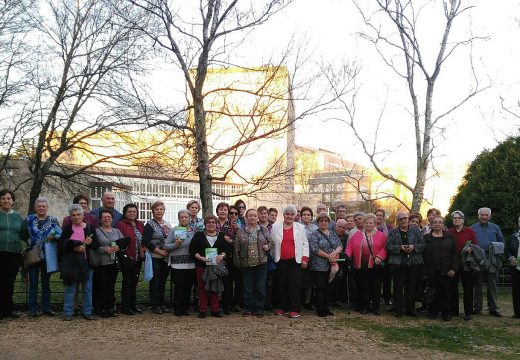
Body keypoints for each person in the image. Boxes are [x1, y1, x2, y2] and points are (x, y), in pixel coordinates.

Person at [59, 204, 99, 321]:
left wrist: (90, 243)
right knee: (70, 288)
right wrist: (73, 248)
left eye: (78, 214)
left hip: (87, 263)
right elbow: (61, 246)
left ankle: (87, 312)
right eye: (73, 215)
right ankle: (68, 312)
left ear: (83, 215)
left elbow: (96, 246)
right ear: (70, 217)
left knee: (87, 289)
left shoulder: (90, 228)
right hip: (72, 263)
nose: (76, 217)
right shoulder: (67, 229)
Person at [26, 197, 62, 317]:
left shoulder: (53, 220)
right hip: (33, 255)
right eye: (39, 206)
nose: (41, 208)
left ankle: (46, 308)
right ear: (36, 207)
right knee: (33, 283)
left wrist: (54, 237)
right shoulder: (29, 219)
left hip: (48, 255)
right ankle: (32, 309)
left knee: (46, 284)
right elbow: (23, 234)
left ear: (47, 207)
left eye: (44, 206)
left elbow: (60, 234)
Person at [271, 205, 309, 318]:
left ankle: (295, 308)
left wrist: (305, 259)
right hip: (280, 260)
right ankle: (283, 307)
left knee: (294, 285)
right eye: (287, 214)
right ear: (284, 215)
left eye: (292, 214)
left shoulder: (300, 228)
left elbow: (305, 244)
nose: (289, 216)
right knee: (282, 284)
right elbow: (272, 243)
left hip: (295, 261)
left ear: (295, 216)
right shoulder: (275, 226)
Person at [234, 209, 273, 317]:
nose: (252, 217)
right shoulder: (241, 231)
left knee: (260, 286)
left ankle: (259, 308)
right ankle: (248, 307)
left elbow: (271, 242)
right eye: (250, 215)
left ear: (258, 218)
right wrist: (238, 263)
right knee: (248, 286)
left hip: (261, 263)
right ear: (246, 217)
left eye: (255, 216)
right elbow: (236, 248)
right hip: (245, 263)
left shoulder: (263, 230)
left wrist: (268, 247)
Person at [346, 213, 387, 315]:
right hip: (360, 265)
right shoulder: (357, 234)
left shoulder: (381, 235)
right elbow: (349, 247)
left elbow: (385, 248)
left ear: (375, 224)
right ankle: (364, 307)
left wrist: (380, 256)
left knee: (375, 287)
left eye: (370, 223)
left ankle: (376, 308)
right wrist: (347, 255)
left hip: (375, 266)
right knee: (363, 286)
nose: (368, 224)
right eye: (366, 223)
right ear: (363, 224)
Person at [386, 211, 425, 317]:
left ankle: (410, 309)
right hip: (398, 263)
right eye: (401, 219)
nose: (403, 220)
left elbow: (423, 244)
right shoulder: (393, 232)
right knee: (398, 287)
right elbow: (388, 246)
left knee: (411, 287)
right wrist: (400, 248)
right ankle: (399, 310)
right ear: (398, 221)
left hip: (413, 262)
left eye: (405, 218)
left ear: (408, 219)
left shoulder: (416, 231)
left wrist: (413, 247)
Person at [189, 215, 227, 318]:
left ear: (217, 224)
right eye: (208, 222)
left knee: (215, 287)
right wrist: (200, 257)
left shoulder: (221, 235)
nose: (211, 224)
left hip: (216, 266)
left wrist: (222, 255)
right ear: (205, 224)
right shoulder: (198, 235)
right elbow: (192, 249)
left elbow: (227, 249)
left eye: (213, 222)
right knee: (202, 288)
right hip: (202, 265)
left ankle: (215, 309)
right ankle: (202, 310)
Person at [470, 207, 504, 317]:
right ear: (478, 216)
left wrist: (498, 254)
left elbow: (501, 241)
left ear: (490, 216)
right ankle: (477, 307)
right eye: (482, 215)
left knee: (492, 285)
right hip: (478, 259)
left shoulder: (495, 228)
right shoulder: (472, 228)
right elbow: (469, 243)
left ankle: (493, 308)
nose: (484, 217)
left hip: (492, 259)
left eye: (486, 215)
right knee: (477, 284)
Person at [423, 216, 458, 321]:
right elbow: (423, 255)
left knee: (445, 292)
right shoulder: (426, 238)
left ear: (443, 224)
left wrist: (453, 268)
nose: (437, 224)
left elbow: (455, 254)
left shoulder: (450, 237)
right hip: (431, 270)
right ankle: (433, 312)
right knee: (433, 291)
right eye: (435, 222)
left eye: (440, 222)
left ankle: (446, 313)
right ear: (432, 224)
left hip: (446, 270)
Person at [308, 212, 342, 317]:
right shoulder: (314, 234)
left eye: (326, 221)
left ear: (329, 222)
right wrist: (328, 256)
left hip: (331, 265)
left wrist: (335, 253)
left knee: (329, 287)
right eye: (321, 221)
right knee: (321, 287)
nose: (324, 223)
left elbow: (339, 245)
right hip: (319, 265)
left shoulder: (332, 233)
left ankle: (326, 308)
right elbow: (314, 249)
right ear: (318, 222)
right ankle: (320, 309)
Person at [0, 189, 27, 320]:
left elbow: (24, 234)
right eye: (3, 198)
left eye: (8, 198)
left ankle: (8, 309)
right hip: (0, 253)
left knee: (10, 282)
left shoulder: (17, 217)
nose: (6, 201)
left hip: (14, 254)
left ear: (13, 201)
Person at [447, 210, 479, 320]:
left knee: (468, 289)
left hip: (467, 264)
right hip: (453, 264)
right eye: (454, 218)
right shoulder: (449, 232)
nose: (456, 219)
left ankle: (468, 312)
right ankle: (453, 311)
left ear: (463, 220)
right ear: (452, 220)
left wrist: (471, 248)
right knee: (452, 288)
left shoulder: (469, 231)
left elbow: (475, 245)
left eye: (458, 218)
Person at [142, 201, 172, 314]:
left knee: (163, 282)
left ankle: (162, 303)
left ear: (164, 210)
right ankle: (155, 305)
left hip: (165, 257)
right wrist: (159, 251)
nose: (159, 211)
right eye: (157, 209)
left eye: (161, 209)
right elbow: (146, 241)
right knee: (155, 281)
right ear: (153, 211)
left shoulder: (168, 224)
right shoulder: (150, 224)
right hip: (155, 256)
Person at [164, 209, 195, 316]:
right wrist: (176, 244)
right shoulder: (174, 230)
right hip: (177, 264)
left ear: (189, 218)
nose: (184, 219)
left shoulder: (193, 231)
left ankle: (185, 308)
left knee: (188, 287)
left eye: (186, 217)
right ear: (179, 218)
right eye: (182, 217)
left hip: (190, 264)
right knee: (178, 287)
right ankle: (177, 308)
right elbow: (165, 245)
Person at [116, 203, 145, 315]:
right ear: (125, 213)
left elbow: (143, 240)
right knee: (128, 282)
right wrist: (128, 256)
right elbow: (121, 241)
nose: (132, 213)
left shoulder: (140, 224)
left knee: (135, 282)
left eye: (134, 211)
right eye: (129, 211)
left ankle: (133, 305)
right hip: (127, 257)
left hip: (138, 257)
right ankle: (126, 306)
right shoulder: (121, 224)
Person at [95, 210, 124, 318]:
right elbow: (93, 246)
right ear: (100, 219)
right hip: (102, 263)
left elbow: (123, 242)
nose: (107, 219)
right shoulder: (97, 231)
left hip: (114, 262)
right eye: (104, 217)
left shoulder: (116, 231)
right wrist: (104, 249)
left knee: (111, 286)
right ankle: (102, 308)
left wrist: (119, 247)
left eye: (109, 217)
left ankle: (110, 307)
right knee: (102, 286)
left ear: (112, 219)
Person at [216, 202, 241, 314]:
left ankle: (227, 306)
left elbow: (238, 242)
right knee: (214, 281)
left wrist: (230, 241)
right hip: (213, 256)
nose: (223, 211)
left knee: (228, 282)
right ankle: (214, 306)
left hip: (228, 257)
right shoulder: (212, 222)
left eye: (225, 210)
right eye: (220, 209)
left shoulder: (233, 226)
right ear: (217, 211)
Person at [375, 208, 394, 307]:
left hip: (387, 256)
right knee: (375, 280)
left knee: (387, 279)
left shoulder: (389, 228)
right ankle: (375, 298)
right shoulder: (370, 227)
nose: (378, 217)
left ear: (383, 217)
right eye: (377, 215)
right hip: (374, 257)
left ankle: (387, 298)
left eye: (380, 215)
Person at [300, 206, 317, 310]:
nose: (306, 216)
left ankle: (307, 301)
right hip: (301, 257)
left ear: (311, 216)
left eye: (308, 215)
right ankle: (299, 300)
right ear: (301, 216)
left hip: (314, 257)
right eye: (304, 214)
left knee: (310, 281)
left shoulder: (315, 227)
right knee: (300, 280)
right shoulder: (297, 226)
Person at [507, 216, 520, 319]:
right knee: (516, 290)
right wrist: (511, 258)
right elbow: (508, 250)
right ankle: (517, 312)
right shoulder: (513, 237)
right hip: (516, 267)